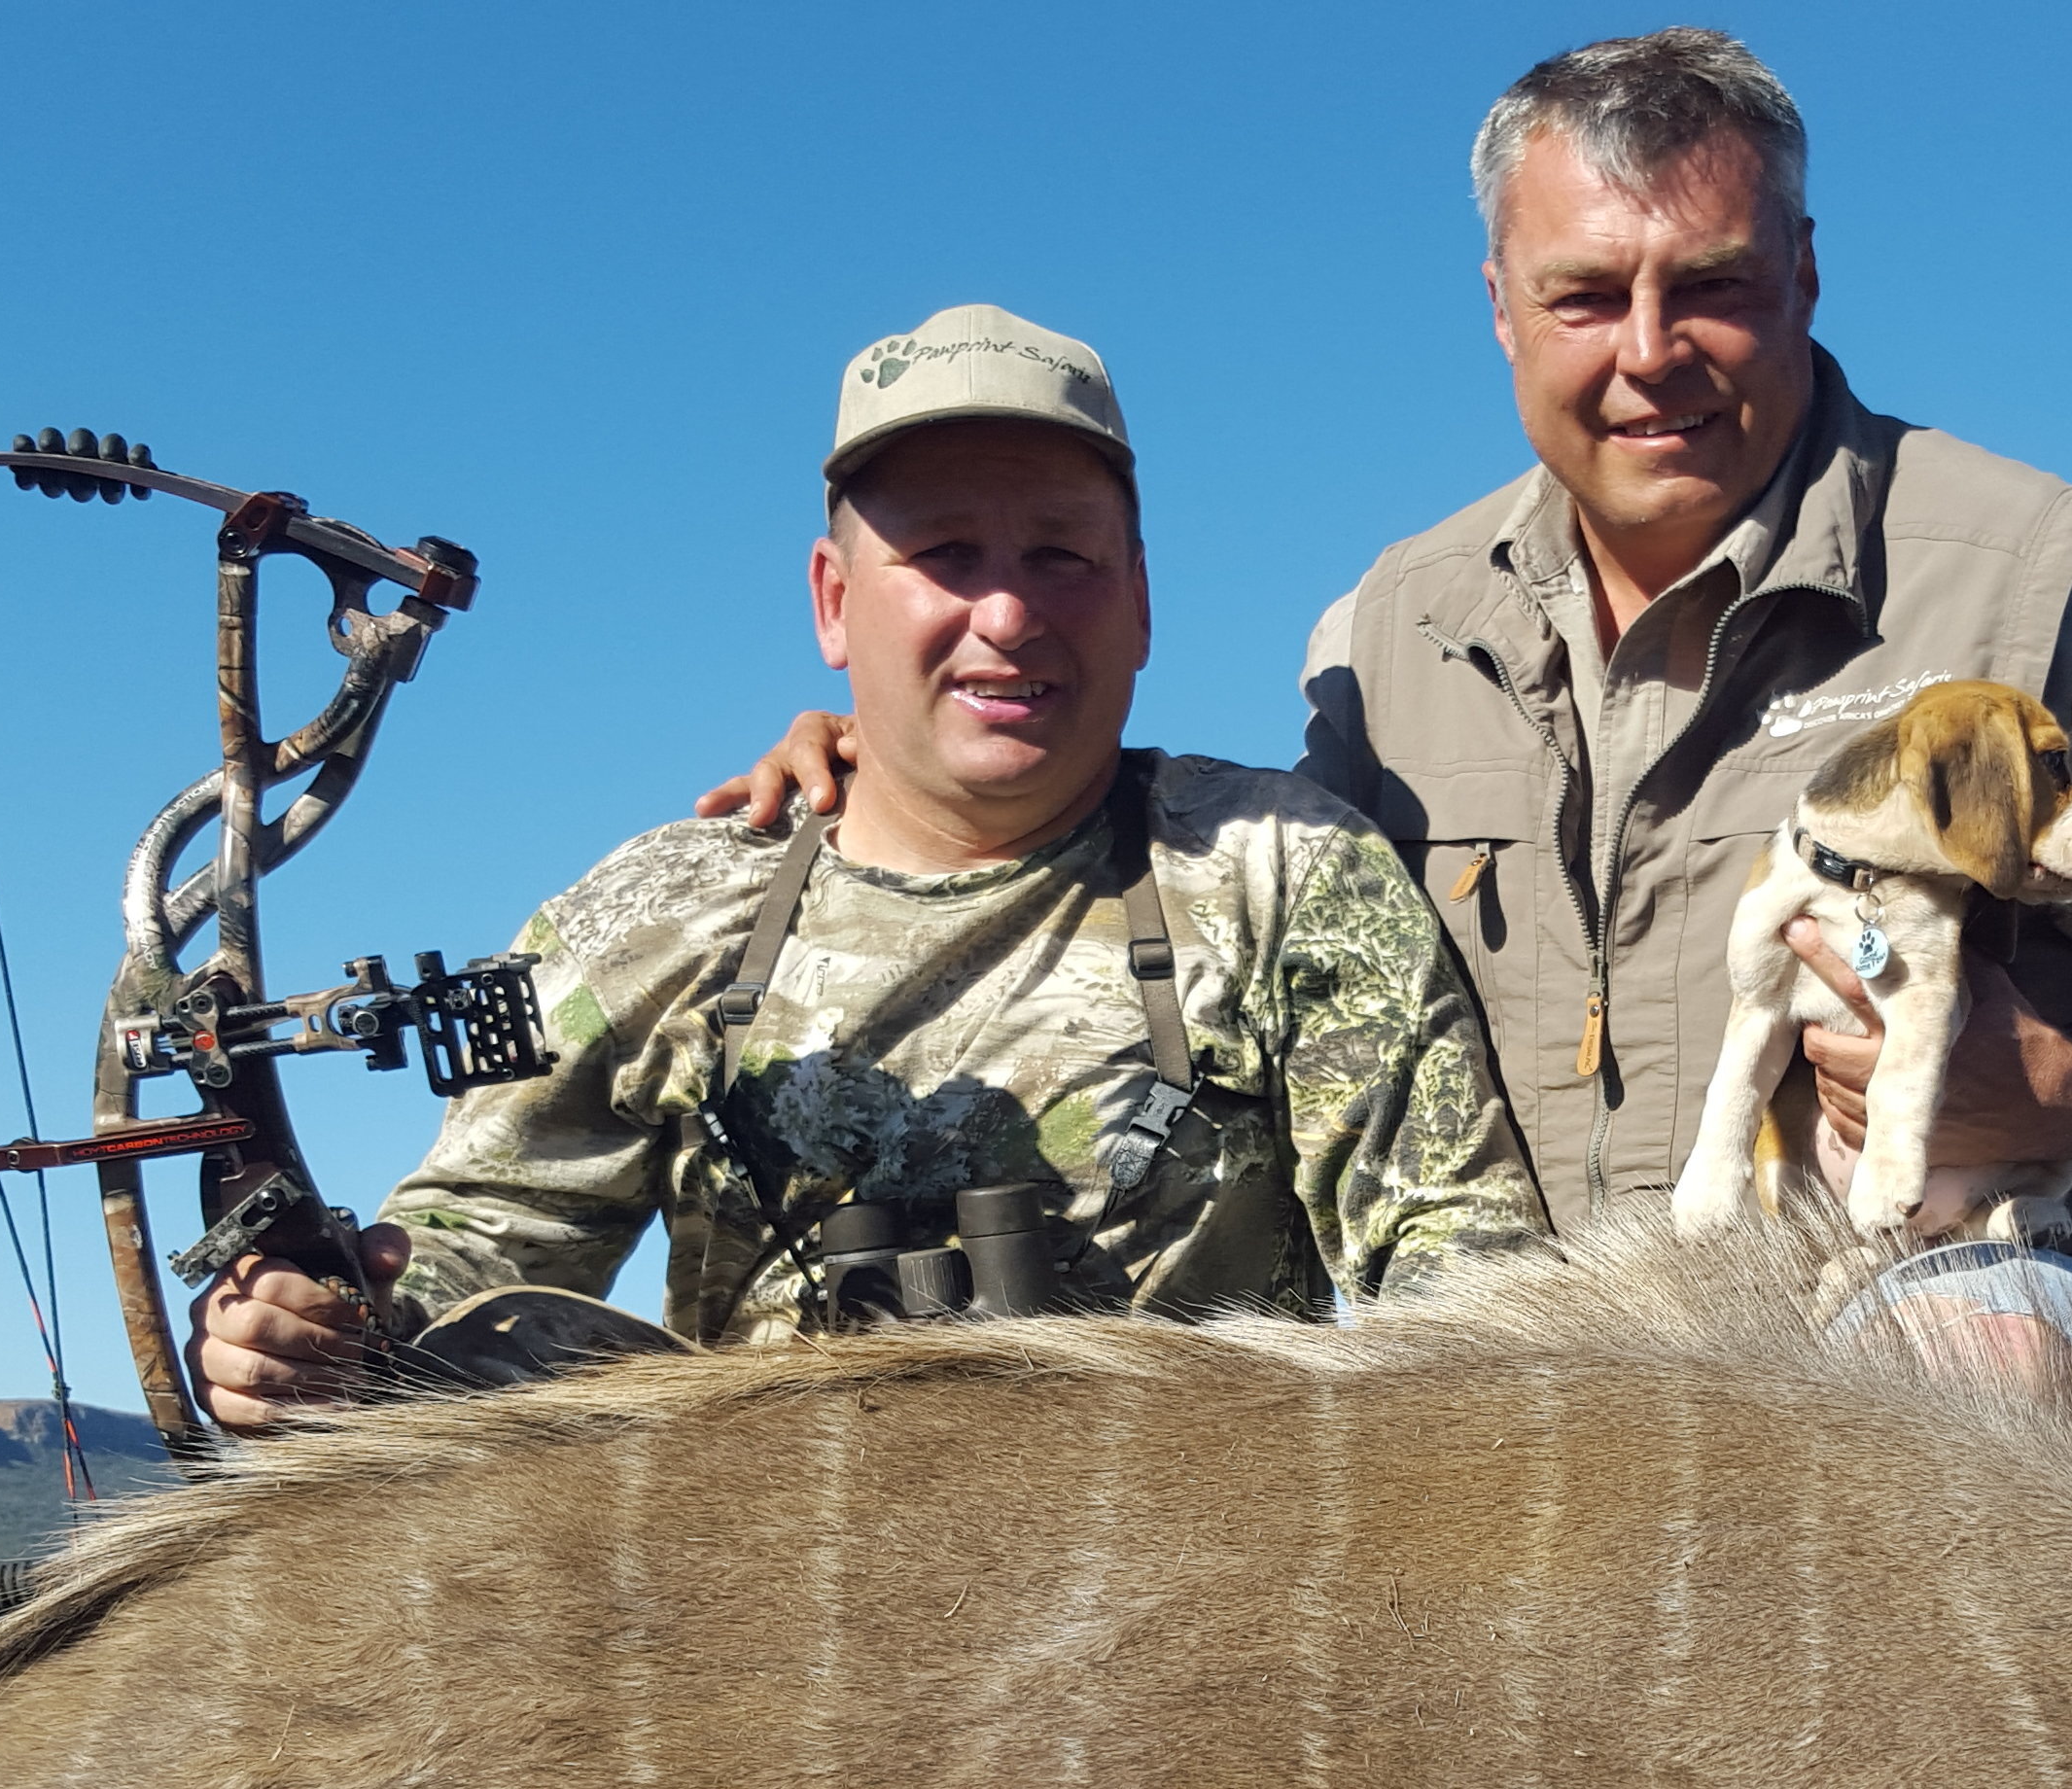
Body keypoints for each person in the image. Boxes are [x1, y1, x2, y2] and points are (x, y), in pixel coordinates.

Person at [714, 31, 2072, 1381]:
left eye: (1717, 288)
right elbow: (1228, 902)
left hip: (1938, 1349)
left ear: (1808, 280)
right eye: (1589, 297)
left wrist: (2070, 1094)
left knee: (1979, 1352)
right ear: (1501, 309)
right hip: (1544, 1409)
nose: (1652, 352)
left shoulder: (2055, 576)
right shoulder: (1391, 631)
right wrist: (887, 779)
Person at [197, 306, 1543, 1426]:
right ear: (836, 602)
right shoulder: (663, 905)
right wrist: (314, 1329)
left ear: (1139, 599)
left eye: (1060, 558)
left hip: (1193, 1628)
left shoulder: (1287, 871)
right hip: (760, 1620)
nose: (1005, 616)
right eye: (943, 557)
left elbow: (1467, 1296)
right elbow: (479, 1246)